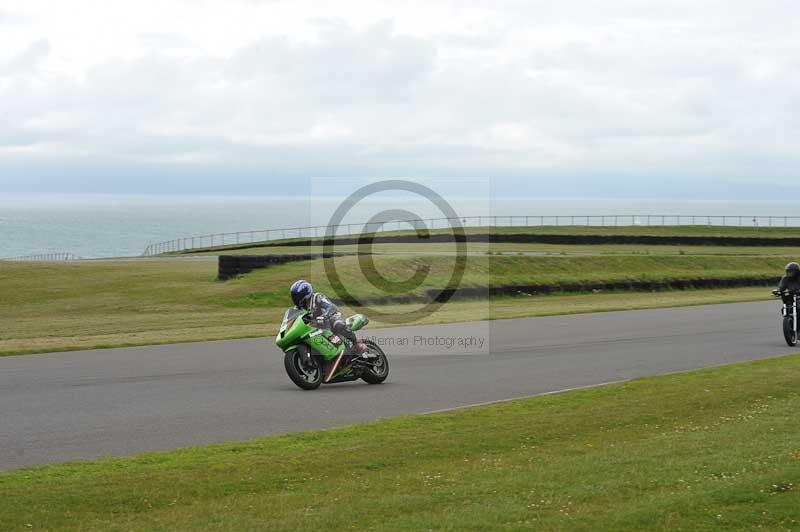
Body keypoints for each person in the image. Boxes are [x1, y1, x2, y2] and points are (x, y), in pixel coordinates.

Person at [290, 280, 366, 355]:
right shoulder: (298, 309)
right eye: (294, 297)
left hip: (331, 317)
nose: (296, 299)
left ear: (306, 293)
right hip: (316, 327)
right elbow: (294, 320)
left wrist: (324, 316)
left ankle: (356, 344)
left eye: (298, 296)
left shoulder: (317, 297)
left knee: (338, 324)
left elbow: (331, 306)